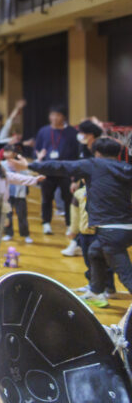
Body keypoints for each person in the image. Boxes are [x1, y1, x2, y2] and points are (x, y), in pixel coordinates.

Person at [13, 137, 132, 308]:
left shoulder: (94, 164)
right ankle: (96, 292)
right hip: (127, 228)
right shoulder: (126, 168)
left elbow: (60, 166)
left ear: (97, 153)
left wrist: (29, 165)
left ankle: (98, 291)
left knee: (125, 273)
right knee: (94, 251)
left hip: (110, 230)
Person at [33, 104, 78, 234]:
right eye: (52, 114)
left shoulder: (72, 132)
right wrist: (38, 157)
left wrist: (75, 174)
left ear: (64, 116)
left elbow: (76, 153)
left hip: (65, 171)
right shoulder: (43, 131)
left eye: (57, 115)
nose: (54, 117)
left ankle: (70, 225)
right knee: (46, 198)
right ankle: (46, 223)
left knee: (68, 199)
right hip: (48, 171)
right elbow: (37, 148)